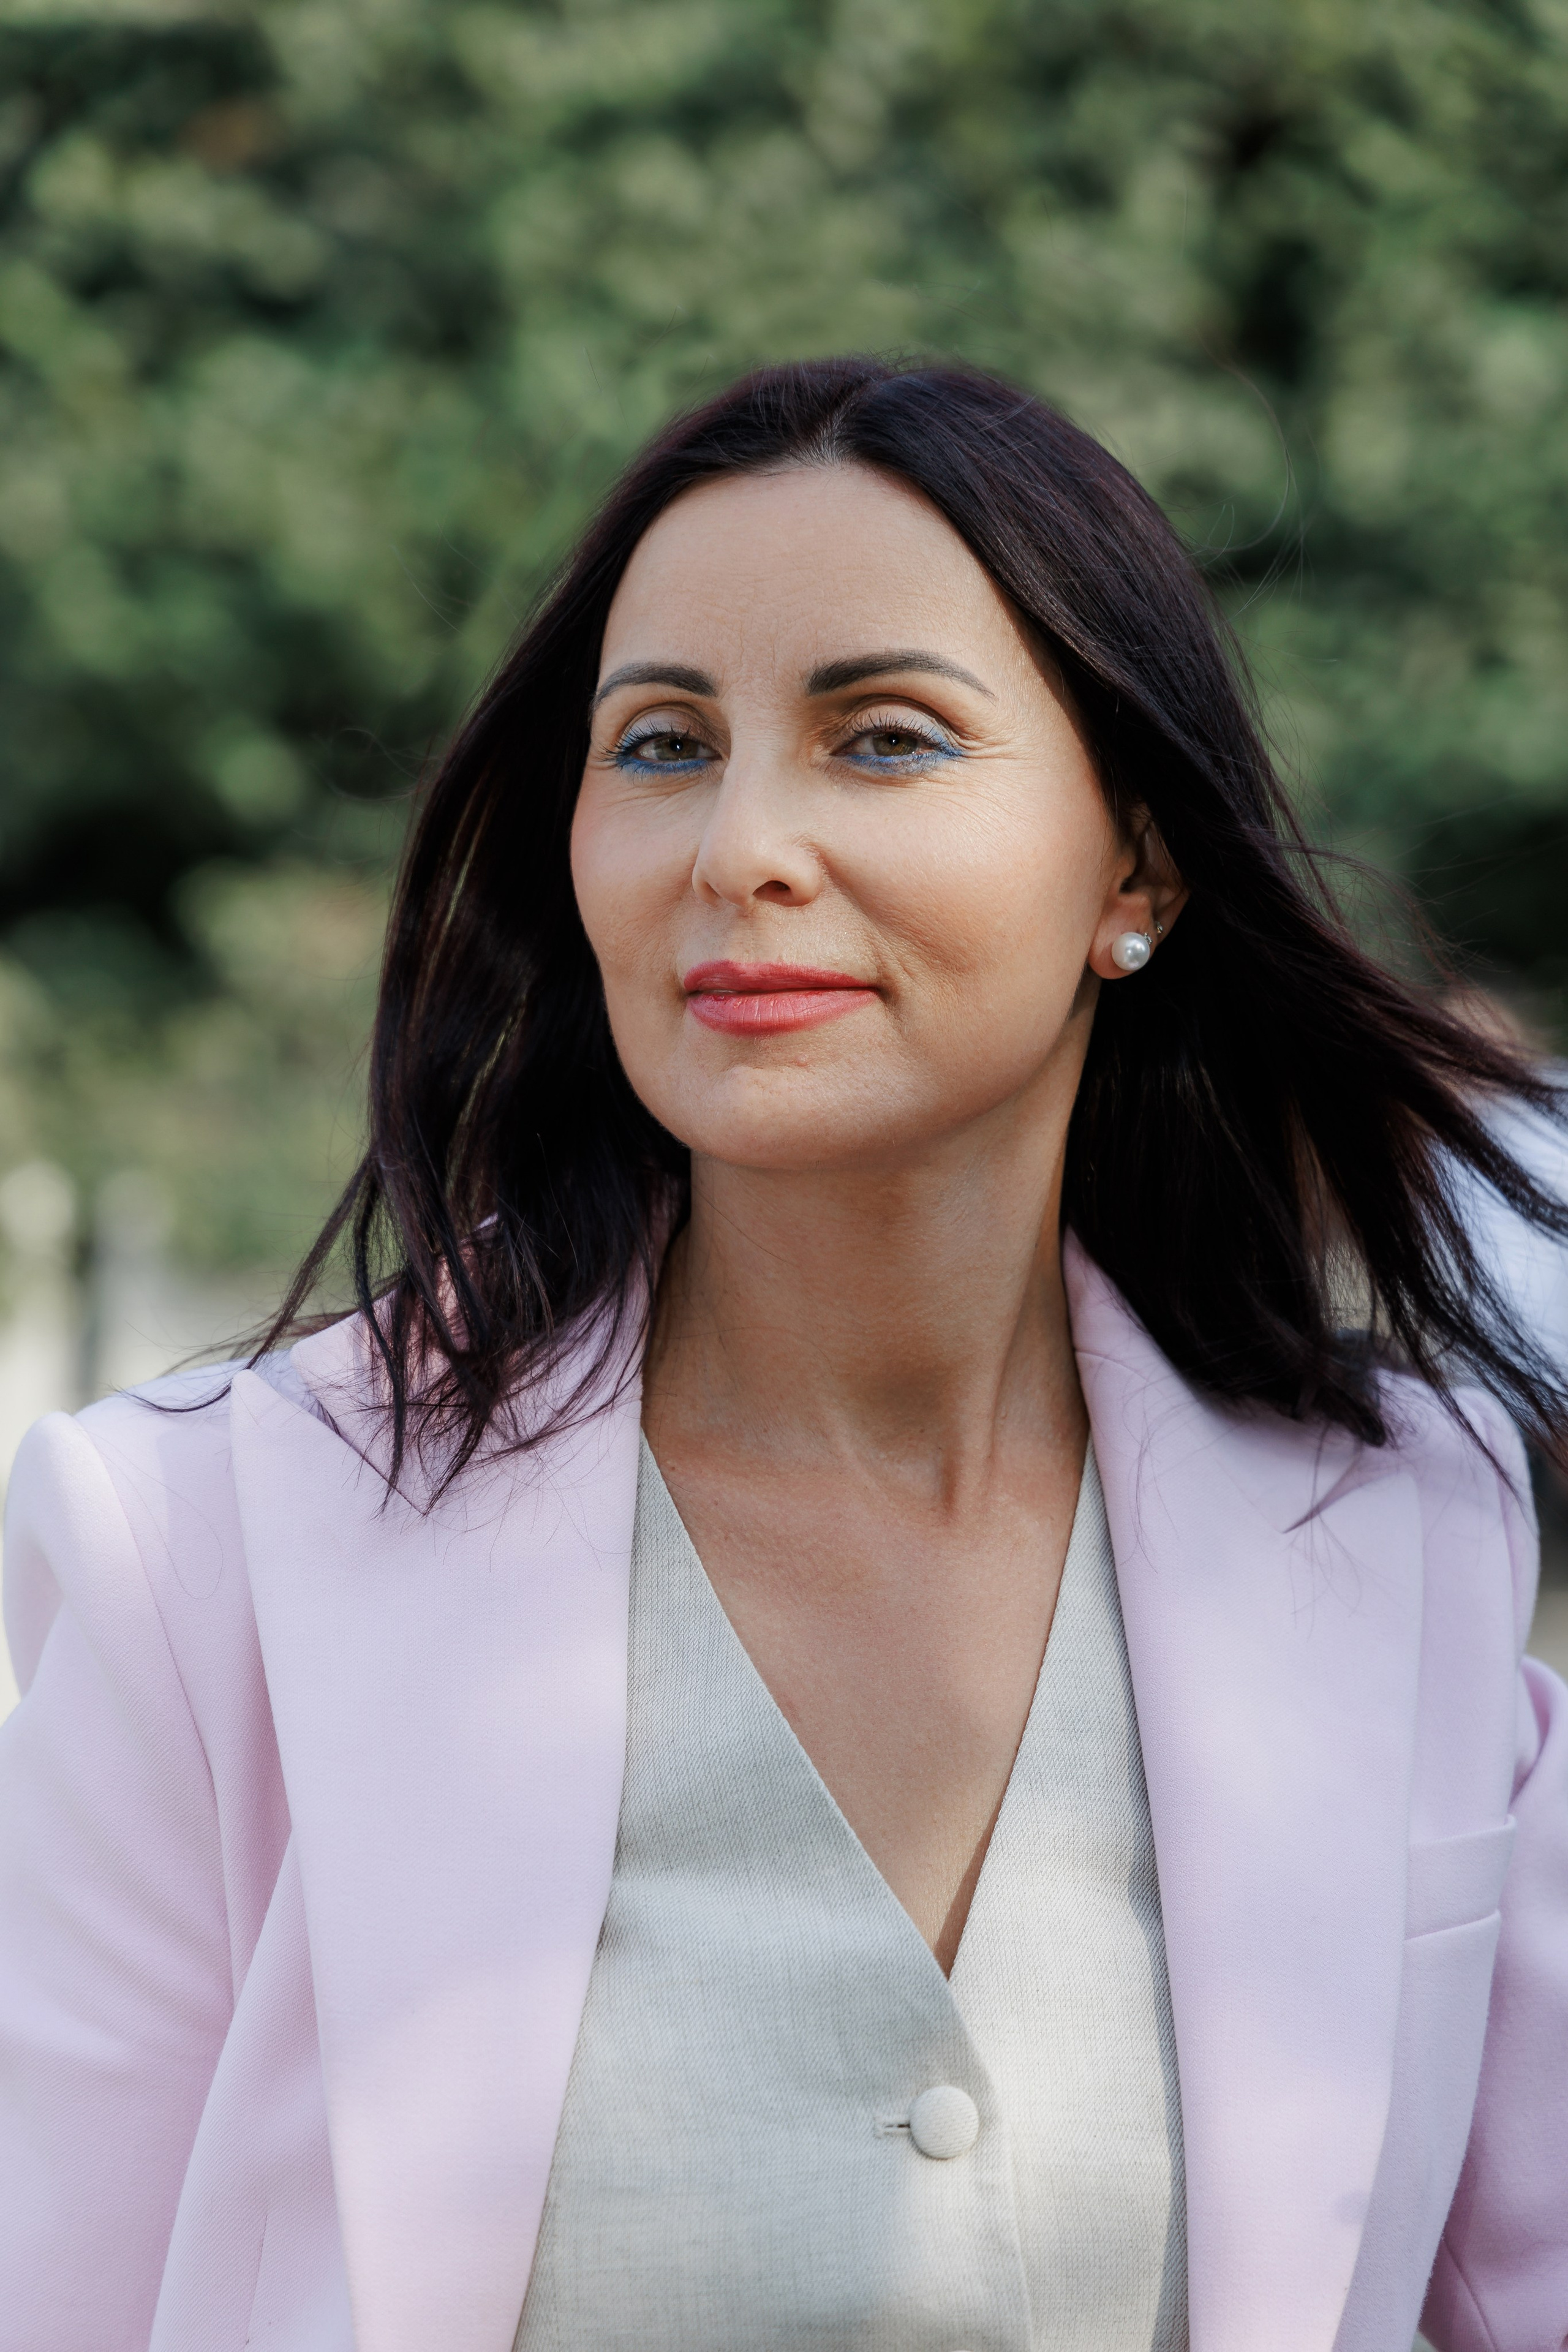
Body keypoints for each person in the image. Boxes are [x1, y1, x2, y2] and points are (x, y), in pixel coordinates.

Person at [2, 358, 1566, 2352]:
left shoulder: (1406, 1532)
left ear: (1139, 870)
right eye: (659, 746)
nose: (739, 846)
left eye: (886, 739)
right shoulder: (191, 1555)